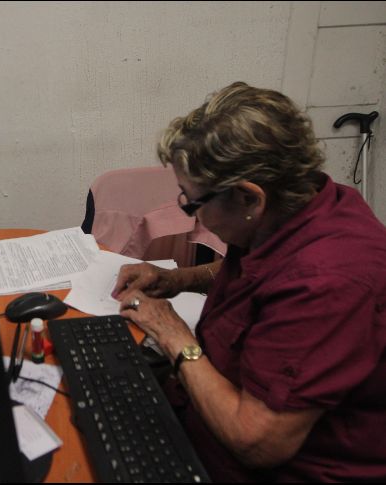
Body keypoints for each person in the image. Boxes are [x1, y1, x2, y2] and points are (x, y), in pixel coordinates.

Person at [112, 82, 386, 481]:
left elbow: (258, 443)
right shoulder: (300, 204)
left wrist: (170, 333)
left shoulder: (327, 283)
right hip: (204, 417)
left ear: (249, 198)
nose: (192, 216)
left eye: (193, 203)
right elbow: (262, 274)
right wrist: (177, 279)